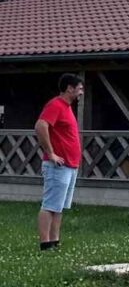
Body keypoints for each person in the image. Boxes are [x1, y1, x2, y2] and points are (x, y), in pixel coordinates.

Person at [35, 73, 84, 250]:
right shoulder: (55, 105)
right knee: (49, 205)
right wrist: (51, 153)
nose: (81, 92)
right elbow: (40, 126)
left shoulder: (67, 107)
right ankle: (44, 244)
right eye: (79, 89)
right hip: (57, 165)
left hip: (70, 166)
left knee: (59, 206)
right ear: (69, 88)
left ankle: (54, 241)